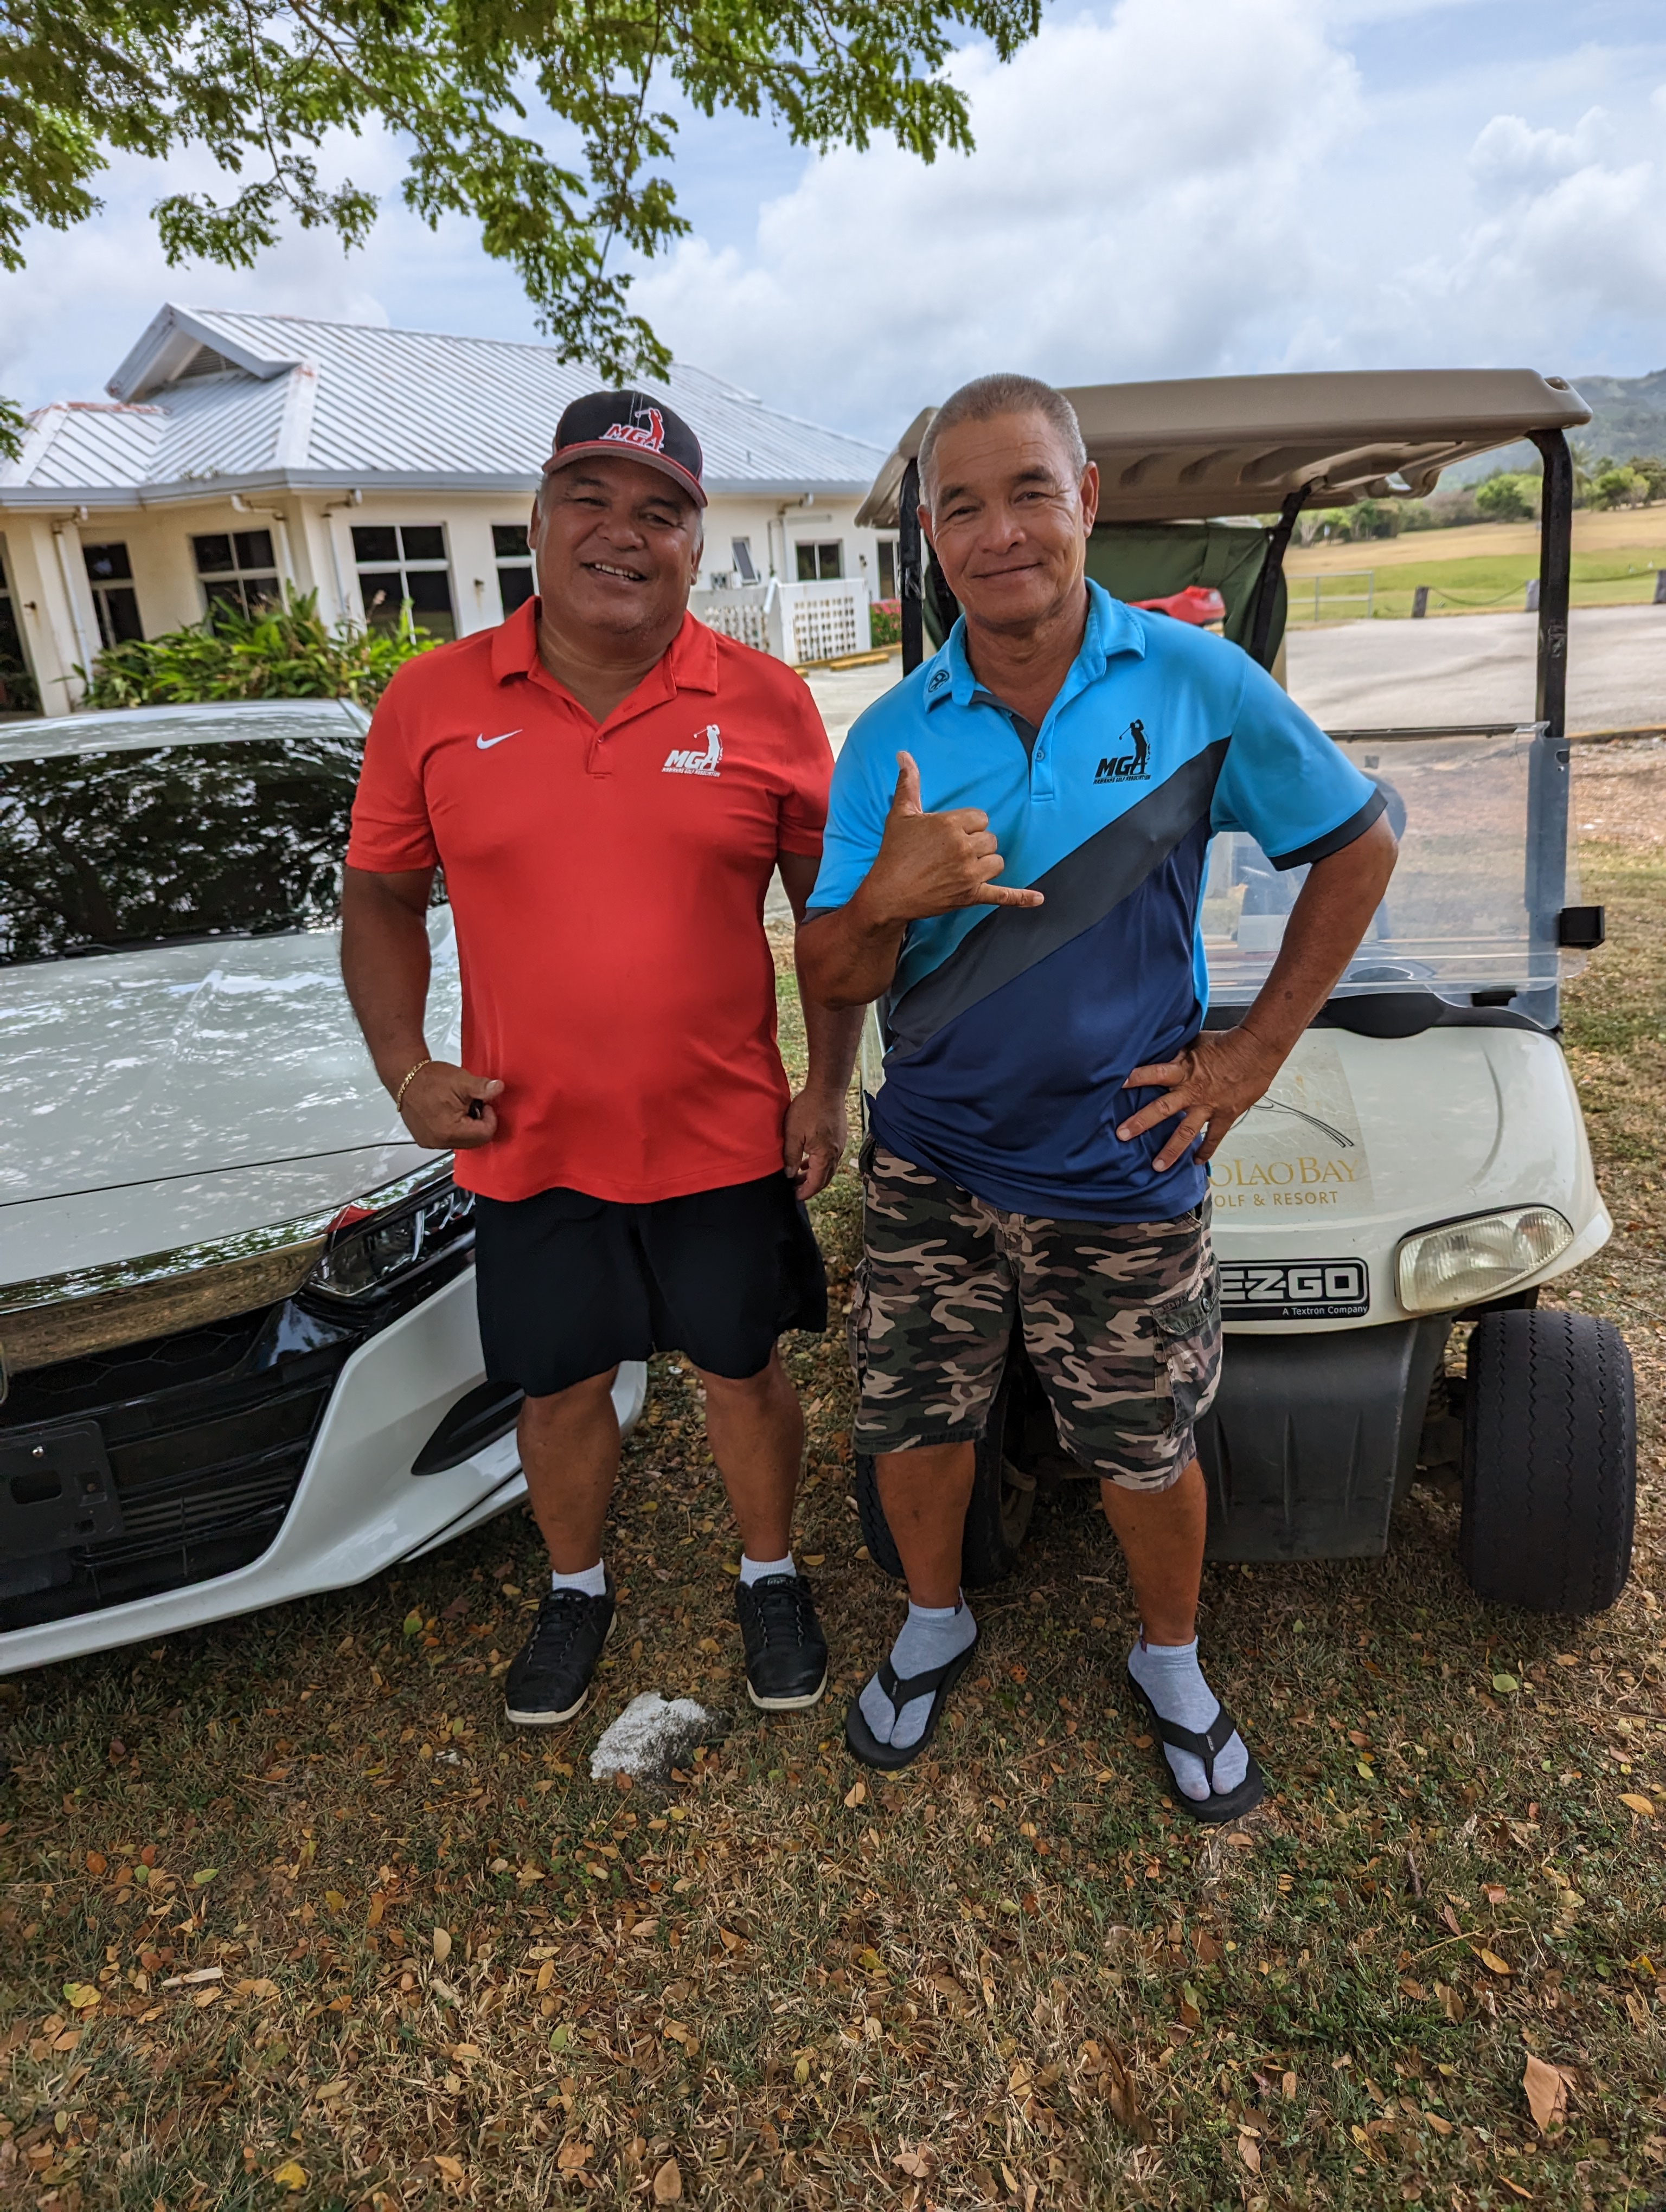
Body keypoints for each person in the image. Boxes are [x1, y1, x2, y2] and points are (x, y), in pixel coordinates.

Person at [797, 374, 1397, 1817]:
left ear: (1088, 502)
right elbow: (828, 966)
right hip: (932, 1161)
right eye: (961, 507)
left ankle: (1170, 1658)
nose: (998, 532)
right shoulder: (892, 735)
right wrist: (888, 895)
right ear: (933, 538)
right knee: (915, 1423)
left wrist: (1252, 1054)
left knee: (1143, 1444)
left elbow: (1359, 841)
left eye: (1029, 493)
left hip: (1122, 1165)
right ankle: (932, 1621)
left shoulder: (1194, 684)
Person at [342, 390, 863, 1729]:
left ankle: (770, 1573)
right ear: (537, 521)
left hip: (724, 1130)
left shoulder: (767, 703)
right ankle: (575, 1588)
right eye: (592, 499)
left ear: (696, 545)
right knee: (560, 1381)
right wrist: (405, 1066)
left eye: (660, 512)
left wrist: (824, 1087)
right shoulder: (432, 700)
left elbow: (828, 919)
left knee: (743, 1367)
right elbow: (382, 895)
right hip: (530, 1136)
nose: (623, 532)